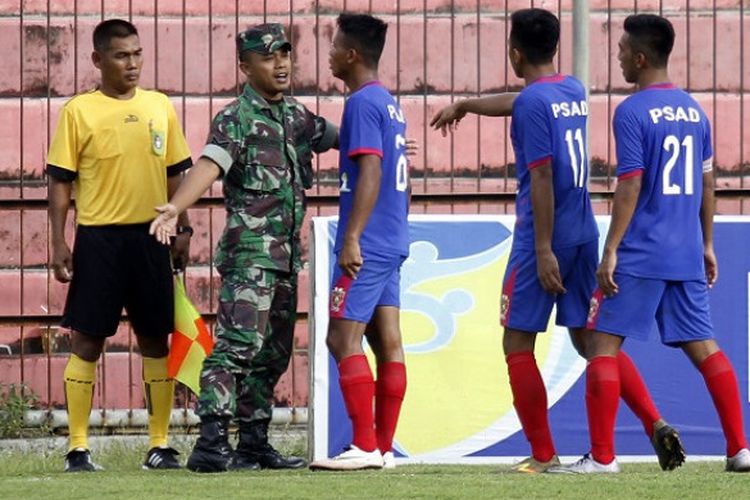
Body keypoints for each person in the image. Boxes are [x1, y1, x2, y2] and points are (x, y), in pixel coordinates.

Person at [432, 8, 685, 474]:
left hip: (540, 240)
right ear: (553, 49)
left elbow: (542, 173)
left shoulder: (534, 103)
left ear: (514, 53)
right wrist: (467, 105)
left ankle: (544, 454)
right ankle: (654, 422)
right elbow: (523, 100)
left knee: (517, 342)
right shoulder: (571, 89)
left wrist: (543, 248)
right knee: (594, 343)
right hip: (584, 234)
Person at [551, 14, 750, 474]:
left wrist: (612, 248)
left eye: (621, 49)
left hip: (641, 251)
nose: (617, 55)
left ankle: (602, 458)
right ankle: (740, 448)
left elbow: (631, 183)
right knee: (706, 348)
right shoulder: (694, 111)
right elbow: (706, 181)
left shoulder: (633, 112)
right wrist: (707, 243)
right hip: (684, 251)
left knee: (600, 344)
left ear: (640, 59)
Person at [149, 23, 339, 473]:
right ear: (245, 66)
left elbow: (341, 137)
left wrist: (384, 146)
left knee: (272, 353)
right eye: (269, 57)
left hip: (286, 259)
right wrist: (175, 207)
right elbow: (210, 164)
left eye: (285, 55)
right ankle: (211, 443)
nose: (281, 64)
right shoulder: (235, 118)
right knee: (236, 348)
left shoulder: (295, 116)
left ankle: (254, 443)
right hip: (251, 256)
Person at [47, 19, 192, 472]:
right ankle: (77, 447)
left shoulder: (160, 106)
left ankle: (160, 444)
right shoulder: (78, 112)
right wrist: (58, 240)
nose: (132, 64)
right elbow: (60, 182)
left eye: (137, 54)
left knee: (155, 339)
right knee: (87, 339)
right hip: (98, 239)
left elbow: (176, 171)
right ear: (98, 60)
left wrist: (182, 227)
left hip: (152, 235)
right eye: (121, 55)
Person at [307, 13, 409, 472]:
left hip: (367, 242)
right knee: (386, 340)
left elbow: (370, 170)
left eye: (333, 46)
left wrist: (350, 238)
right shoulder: (387, 102)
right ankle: (383, 448)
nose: (328, 54)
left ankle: (365, 446)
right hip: (392, 238)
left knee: (340, 337)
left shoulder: (363, 103)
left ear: (351, 54)